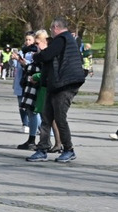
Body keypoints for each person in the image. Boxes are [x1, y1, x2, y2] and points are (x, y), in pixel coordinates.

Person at [26, 17, 87, 163]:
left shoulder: (62, 39)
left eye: (51, 29)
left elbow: (47, 55)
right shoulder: (68, 40)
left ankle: (68, 150)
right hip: (56, 84)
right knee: (46, 117)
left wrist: (36, 55)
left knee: (59, 118)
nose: (51, 33)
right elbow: (51, 61)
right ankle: (42, 148)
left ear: (56, 28)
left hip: (65, 85)